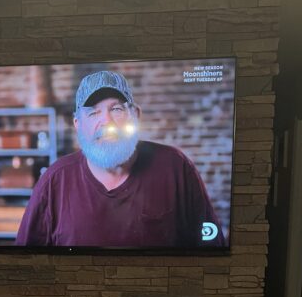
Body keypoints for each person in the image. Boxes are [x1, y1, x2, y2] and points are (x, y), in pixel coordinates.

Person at [15, 70, 224, 248]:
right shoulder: (55, 180)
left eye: (116, 109)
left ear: (136, 115)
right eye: (93, 112)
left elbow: (211, 249)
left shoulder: (176, 167)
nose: (107, 122)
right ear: (78, 124)